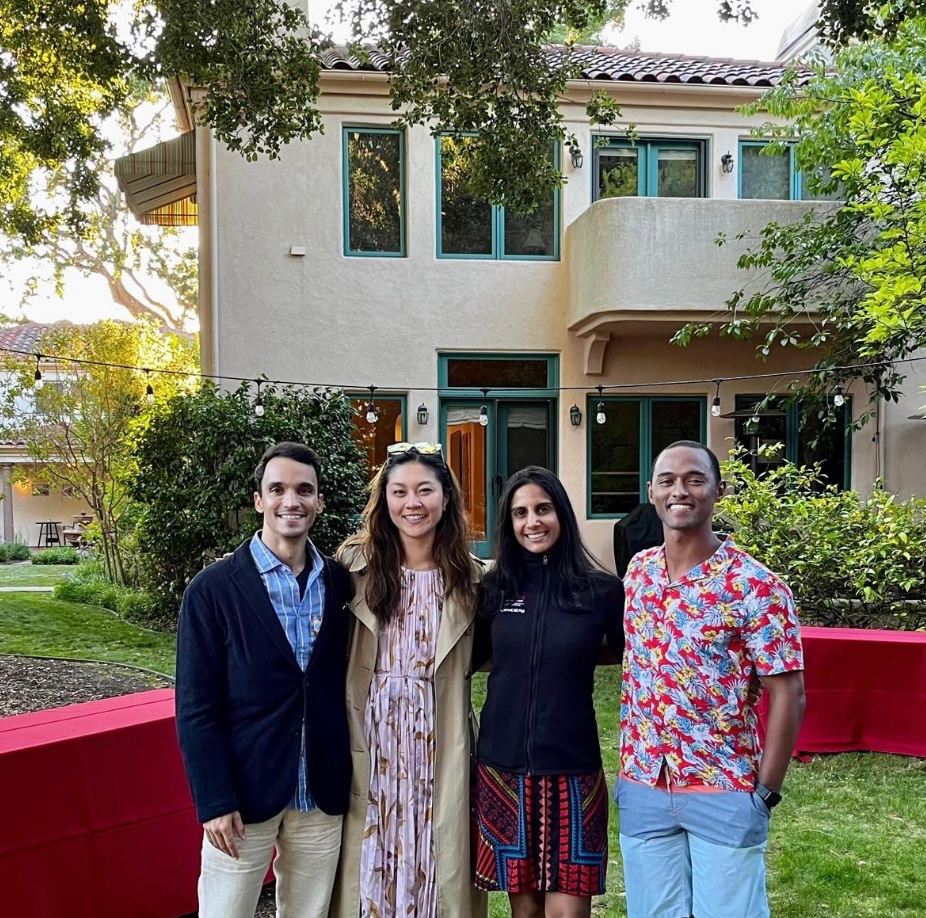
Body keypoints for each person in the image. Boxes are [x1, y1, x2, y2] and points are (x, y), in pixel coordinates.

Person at [615, 440, 806, 918]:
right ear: (652, 492)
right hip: (644, 782)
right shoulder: (638, 573)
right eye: (668, 481)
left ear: (718, 490)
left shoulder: (756, 585)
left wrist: (765, 792)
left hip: (723, 785)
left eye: (694, 479)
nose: (680, 490)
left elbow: (789, 693)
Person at [175, 441, 353, 918]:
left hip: (320, 793)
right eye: (277, 489)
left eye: (303, 490)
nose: (290, 501)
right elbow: (196, 709)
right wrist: (213, 800)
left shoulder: (341, 584)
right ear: (259, 500)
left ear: (319, 501)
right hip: (242, 796)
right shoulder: (212, 591)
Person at [331, 442, 487, 918]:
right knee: (372, 847)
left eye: (425, 490)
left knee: (436, 849)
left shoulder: (471, 577)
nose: (412, 503)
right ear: (385, 500)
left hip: (438, 733)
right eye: (399, 492)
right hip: (371, 731)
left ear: (446, 498)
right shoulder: (352, 567)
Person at [473, 466, 625, 918]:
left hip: (574, 770)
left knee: (567, 912)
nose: (532, 522)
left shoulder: (601, 592)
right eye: (520, 513)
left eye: (542, 509)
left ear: (561, 513)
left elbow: (630, 660)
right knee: (525, 911)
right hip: (503, 770)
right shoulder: (494, 588)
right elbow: (475, 659)